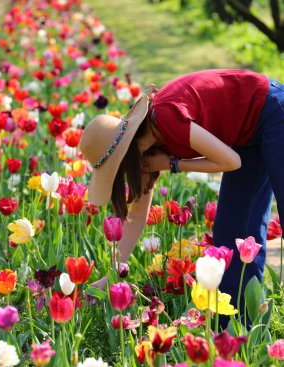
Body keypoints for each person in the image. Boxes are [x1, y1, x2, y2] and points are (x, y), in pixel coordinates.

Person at [79, 69, 284, 325]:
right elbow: (136, 218)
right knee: (233, 233)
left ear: (123, 155)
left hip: (271, 111)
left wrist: (173, 163)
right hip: (245, 135)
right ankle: (238, 328)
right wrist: (111, 274)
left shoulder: (165, 118)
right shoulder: (143, 152)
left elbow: (231, 161)